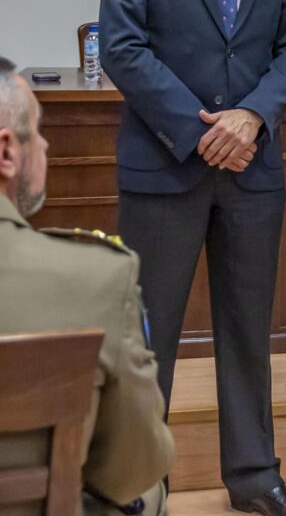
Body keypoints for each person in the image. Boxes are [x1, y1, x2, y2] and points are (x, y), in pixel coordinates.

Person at [99, 0, 286, 516]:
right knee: (149, 337)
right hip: (165, 166)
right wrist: (200, 131)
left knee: (248, 331)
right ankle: (135, 483)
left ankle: (255, 477)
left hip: (253, 170)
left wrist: (251, 116)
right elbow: (123, 47)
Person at [0, 56, 175, 516]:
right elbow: (131, 469)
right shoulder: (97, 280)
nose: (45, 143)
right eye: (37, 129)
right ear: (7, 152)